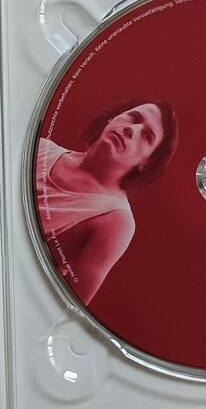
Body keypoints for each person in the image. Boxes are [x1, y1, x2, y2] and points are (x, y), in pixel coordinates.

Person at [35, 100, 177, 303]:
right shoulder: (42, 147)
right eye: (134, 118)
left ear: (147, 163)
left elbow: (71, 307)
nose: (132, 130)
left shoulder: (116, 221)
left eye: (147, 136)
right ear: (112, 118)